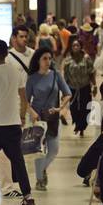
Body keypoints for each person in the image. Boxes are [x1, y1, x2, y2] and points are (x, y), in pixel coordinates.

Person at [0, 39, 35, 205]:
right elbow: (24, 98)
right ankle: (28, 195)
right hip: (13, 125)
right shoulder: (16, 72)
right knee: (18, 161)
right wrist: (22, 117)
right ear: (6, 53)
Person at [26, 48, 71, 191]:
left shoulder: (56, 75)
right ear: (38, 60)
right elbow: (25, 100)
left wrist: (60, 108)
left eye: (49, 58)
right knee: (39, 149)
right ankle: (39, 179)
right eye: (44, 58)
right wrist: (31, 112)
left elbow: (67, 94)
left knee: (54, 149)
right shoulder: (32, 78)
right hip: (37, 118)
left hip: (52, 118)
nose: (48, 61)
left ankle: (42, 170)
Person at [62, 40, 95, 136]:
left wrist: (95, 85)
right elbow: (66, 75)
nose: (75, 47)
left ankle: (82, 127)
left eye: (77, 45)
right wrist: (64, 90)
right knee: (73, 108)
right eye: (74, 45)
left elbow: (91, 72)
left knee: (85, 108)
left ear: (81, 47)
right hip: (72, 87)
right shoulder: (68, 60)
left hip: (85, 86)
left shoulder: (86, 58)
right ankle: (77, 123)